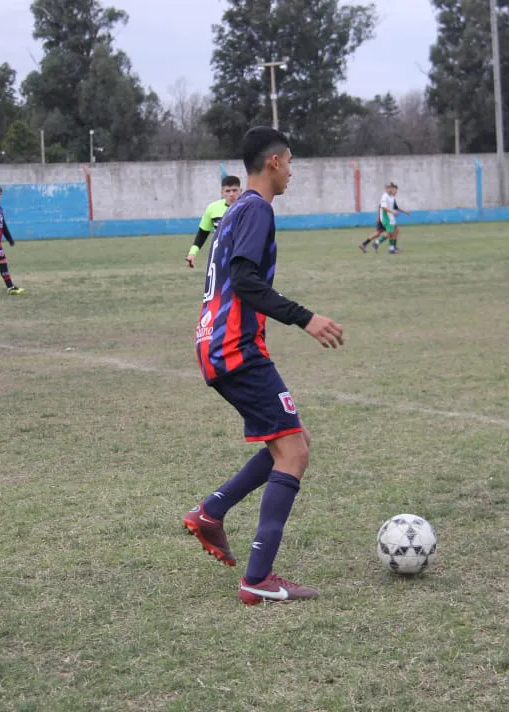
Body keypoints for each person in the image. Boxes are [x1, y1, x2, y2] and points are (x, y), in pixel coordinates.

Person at [183, 126, 344, 606]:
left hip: (217, 344)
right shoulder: (256, 209)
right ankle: (258, 578)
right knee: (293, 453)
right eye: (290, 161)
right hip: (236, 348)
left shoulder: (234, 213)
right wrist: (305, 318)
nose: (292, 170)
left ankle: (211, 512)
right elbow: (246, 282)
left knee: (293, 442)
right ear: (273, 163)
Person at [186, 175, 242, 268]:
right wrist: (192, 253)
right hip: (220, 256)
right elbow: (202, 234)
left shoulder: (248, 208)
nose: (231, 194)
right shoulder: (212, 209)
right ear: (222, 193)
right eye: (228, 191)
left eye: (234, 190)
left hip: (242, 256)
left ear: (240, 191)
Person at [360, 182, 410, 254]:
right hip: (385, 217)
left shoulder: (391, 197)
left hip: (389, 217)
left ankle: (392, 247)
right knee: (389, 233)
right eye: (393, 189)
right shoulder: (385, 196)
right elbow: (382, 206)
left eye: (395, 190)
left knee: (394, 231)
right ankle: (378, 244)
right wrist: (379, 217)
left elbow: (395, 207)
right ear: (389, 189)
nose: (395, 191)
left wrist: (405, 212)